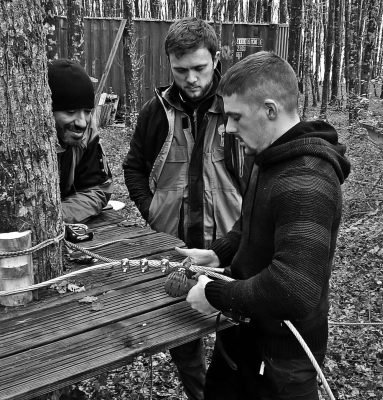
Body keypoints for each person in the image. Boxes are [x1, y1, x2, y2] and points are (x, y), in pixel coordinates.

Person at [177, 51, 351, 400]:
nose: (228, 128)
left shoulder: (307, 179)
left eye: (236, 117)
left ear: (270, 110)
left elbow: (295, 288)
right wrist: (217, 253)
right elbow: (250, 225)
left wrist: (214, 296)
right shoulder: (269, 157)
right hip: (243, 339)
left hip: (282, 360)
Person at [123, 17, 249, 400]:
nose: (191, 79)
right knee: (182, 339)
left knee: (236, 338)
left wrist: (242, 235)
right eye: (181, 71)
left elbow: (261, 181)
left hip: (229, 252)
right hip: (174, 250)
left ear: (216, 58)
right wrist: (152, 211)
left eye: (199, 68)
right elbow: (134, 166)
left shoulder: (238, 109)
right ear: (170, 66)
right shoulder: (156, 112)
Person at [48, 59, 112, 224]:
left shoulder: (87, 133)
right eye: (70, 111)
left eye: (87, 111)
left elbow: (98, 189)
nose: (82, 122)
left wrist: (55, 217)